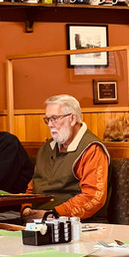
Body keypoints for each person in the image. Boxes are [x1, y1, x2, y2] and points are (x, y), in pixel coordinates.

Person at [22, 94, 110, 222]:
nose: (50, 125)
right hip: (38, 222)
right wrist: (26, 208)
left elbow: (93, 197)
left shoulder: (92, 149)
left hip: (79, 225)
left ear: (72, 118)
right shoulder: (46, 149)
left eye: (55, 119)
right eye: (48, 120)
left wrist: (54, 215)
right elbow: (33, 187)